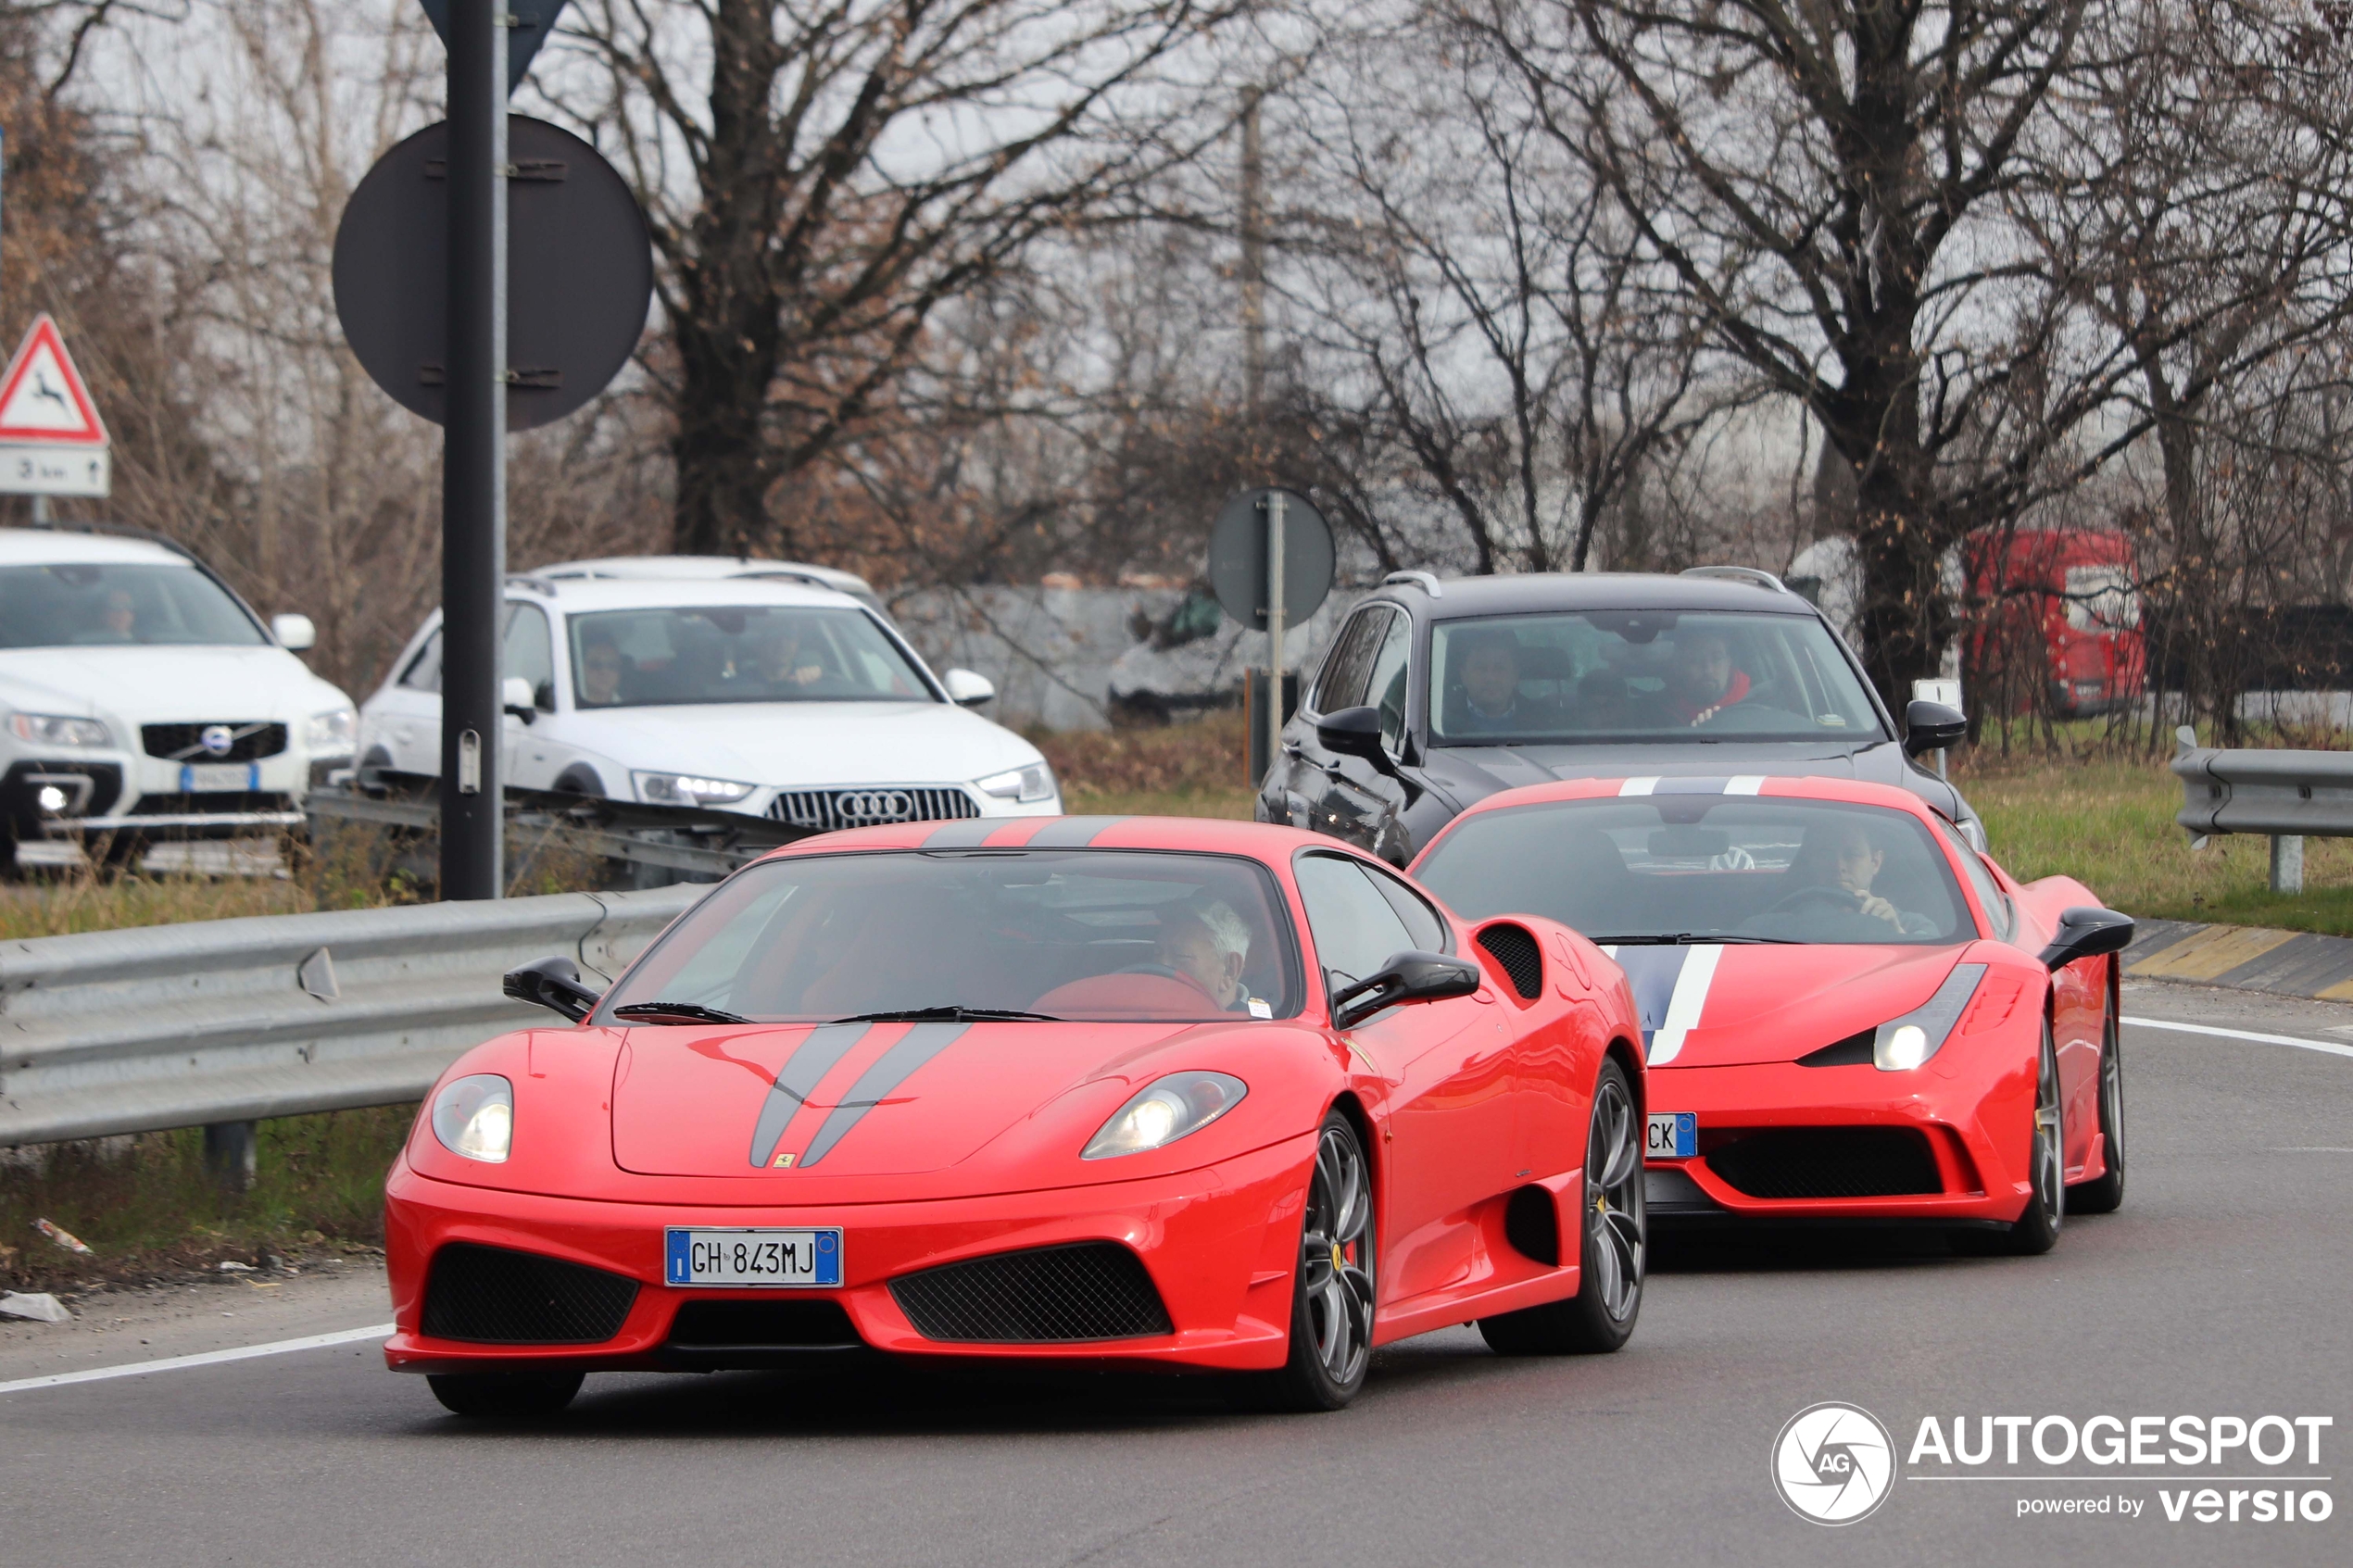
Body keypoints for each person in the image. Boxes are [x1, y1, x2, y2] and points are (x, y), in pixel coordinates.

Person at [1155, 899, 1264, 1013]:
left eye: (1181, 956)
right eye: (1157, 954)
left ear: (1229, 969)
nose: (1161, 966)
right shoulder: (1138, 1009)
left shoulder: (1260, 1028)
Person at [1448, 632, 1532, 734]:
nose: (1491, 678)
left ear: (1515, 676)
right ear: (1463, 676)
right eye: (1480, 668)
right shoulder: (1440, 722)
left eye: (1499, 668)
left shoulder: (1541, 722)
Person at [1667, 629, 1751, 725]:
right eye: (1696, 659)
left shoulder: (1755, 702)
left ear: (1728, 663)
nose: (1708, 670)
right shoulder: (1660, 716)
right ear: (1682, 667)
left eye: (1717, 658)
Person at [577, 633, 628, 706]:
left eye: (612, 665)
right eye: (595, 665)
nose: (604, 671)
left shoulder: (630, 710)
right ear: (581, 668)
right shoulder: (568, 708)